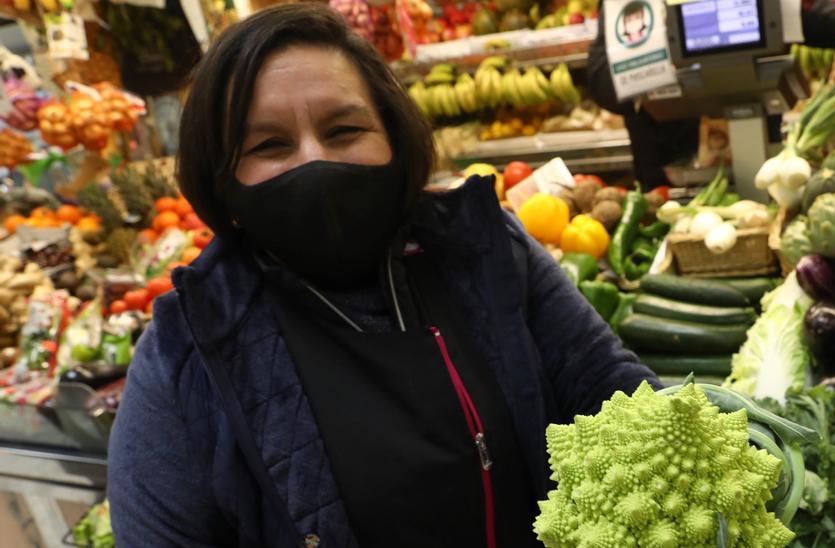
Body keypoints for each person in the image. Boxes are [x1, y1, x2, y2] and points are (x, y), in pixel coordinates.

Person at [106, 4, 657, 547]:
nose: (313, 162)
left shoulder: (486, 253)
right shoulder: (187, 347)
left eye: (344, 129)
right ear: (222, 180)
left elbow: (625, 402)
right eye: (269, 145)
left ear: (394, 138)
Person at [587, 1, 835, 189]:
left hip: (768, 168)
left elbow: (791, 13)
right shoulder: (628, 5)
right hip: (671, 183)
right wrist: (661, 58)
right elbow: (601, 80)